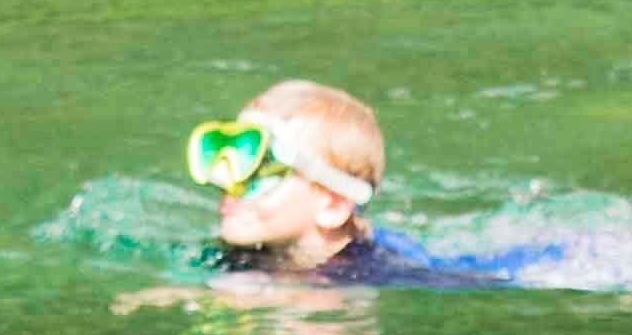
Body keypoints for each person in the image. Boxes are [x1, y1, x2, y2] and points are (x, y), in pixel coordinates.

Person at [191, 80, 451, 284]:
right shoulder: (231, 252)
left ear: (333, 206)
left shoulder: (378, 273)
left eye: (264, 171)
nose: (232, 185)